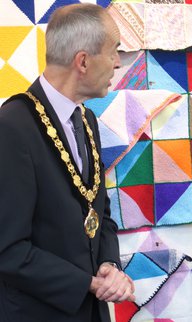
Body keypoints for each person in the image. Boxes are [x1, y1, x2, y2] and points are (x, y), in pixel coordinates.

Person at [0, 3, 135, 322]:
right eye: (113, 51)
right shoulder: (12, 128)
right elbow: (7, 249)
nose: (118, 63)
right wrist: (87, 284)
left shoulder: (86, 119)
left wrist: (109, 265)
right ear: (84, 61)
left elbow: (99, 214)